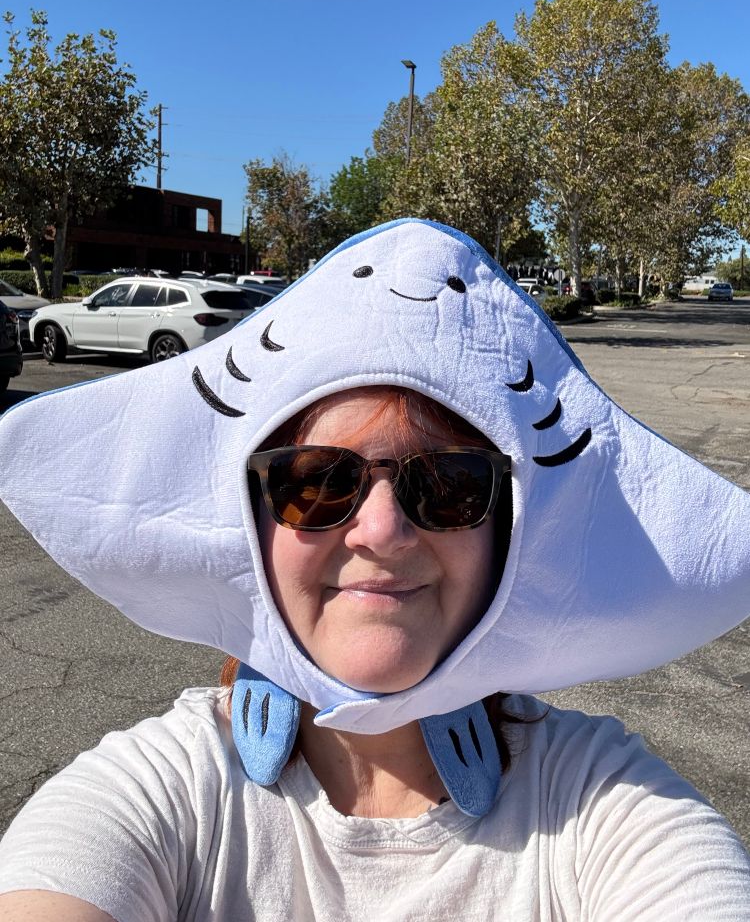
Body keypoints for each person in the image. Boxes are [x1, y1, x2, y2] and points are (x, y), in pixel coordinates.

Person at [0, 219, 749, 920]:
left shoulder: (599, 798)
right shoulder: (164, 789)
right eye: (316, 481)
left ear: (511, 530)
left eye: (452, 486)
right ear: (253, 520)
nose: (383, 531)